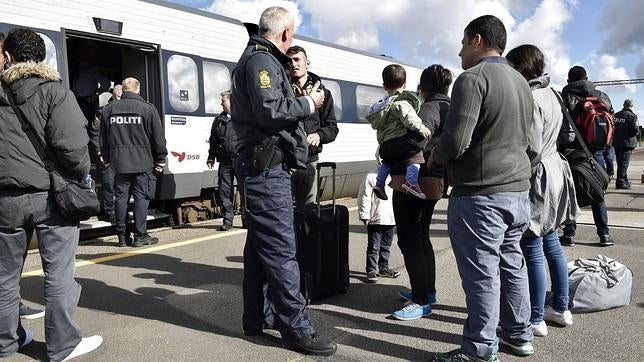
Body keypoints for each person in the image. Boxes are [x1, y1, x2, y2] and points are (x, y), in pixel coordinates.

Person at [230, 6, 336, 356]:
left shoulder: (261, 58)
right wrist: (309, 103)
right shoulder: (262, 61)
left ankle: (256, 318)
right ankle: (296, 330)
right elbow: (270, 110)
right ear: (286, 34)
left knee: (259, 249)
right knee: (280, 251)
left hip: (261, 166)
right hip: (266, 170)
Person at [430, 15, 535, 361]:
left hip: (480, 195)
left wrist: (433, 156)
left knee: (482, 276)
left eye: (462, 43)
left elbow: (456, 141)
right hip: (518, 192)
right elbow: (530, 142)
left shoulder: (472, 79)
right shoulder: (521, 82)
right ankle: (519, 336)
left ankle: (478, 351)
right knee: (511, 264)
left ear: (477, 40)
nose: (459, 52)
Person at [0, 27, 102, 361]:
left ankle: (7, 342)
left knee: (3, 278)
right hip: (50, 198)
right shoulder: (54, 92)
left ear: (9, 57)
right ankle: (63, 346)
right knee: (58, 275)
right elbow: (74, 149)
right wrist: (77, 176)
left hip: (5, 201)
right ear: (42, 57)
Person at [506, 44, 579, 337]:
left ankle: (535, 317)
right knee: (551, 242)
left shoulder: (531, 97)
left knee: (531, 245)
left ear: (521, 67)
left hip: (538, 176)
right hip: (557, 171)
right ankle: (560, 307)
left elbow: (532, 148)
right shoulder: (552, 93)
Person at [391, 64, 452, 321]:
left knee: (409, 239)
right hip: (435, 180)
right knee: (421, 237)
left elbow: (417, 140)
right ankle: (427, 291)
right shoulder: (450, 106)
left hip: (416, 180)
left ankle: (420, 299)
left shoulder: (429, 108)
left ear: (423, 87)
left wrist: (389, 148)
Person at [100, 77, 167, 247]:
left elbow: (103, 139)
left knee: (121, 199)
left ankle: (122, 237)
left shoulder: (109, 110)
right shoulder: (148, 109)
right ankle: (140, 236)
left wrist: (107, 161)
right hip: (143, 163)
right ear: (138, 89)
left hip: (119, 165)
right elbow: (158, 139)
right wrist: (160, 160)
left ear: (123, 90)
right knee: (141, 199)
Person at [559, 65, 615, 247]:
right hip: (596, 151)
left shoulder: (565, 97)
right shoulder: (601, 96)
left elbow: (564, 130)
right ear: (587, 77)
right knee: (597, 192)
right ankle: (604, 234)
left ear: (568, 80)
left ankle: (569, 234)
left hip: (572, 152)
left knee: (570, 193)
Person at [367, 64, 432, 200]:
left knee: (388, 162)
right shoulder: (400, 103)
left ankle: (379, 183)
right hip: (399, 141)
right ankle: (411, 182)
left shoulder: (381, 107)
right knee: (415, 155)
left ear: (384, 86)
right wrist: (422, 128)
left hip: (385, 145)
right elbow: (410, 118)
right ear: (404, 84)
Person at [286, 45, 339, 208]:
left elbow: (332, 128)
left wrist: (319, 135)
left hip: (311, 162)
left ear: (307, 63)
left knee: (309, 211)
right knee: (285, 211)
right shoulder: (282, 92)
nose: (293, 64)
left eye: (297, 59)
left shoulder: (323, 93)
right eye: (289, 61)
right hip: (286, 162)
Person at [357, 167, 399, 283]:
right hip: (376, 218)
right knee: (373, 247)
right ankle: (371, 270)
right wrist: (364, 214)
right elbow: (364, 196)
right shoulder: (371, 176)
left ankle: (383, 267)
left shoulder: (397, 176)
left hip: (391, 218)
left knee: (386, 246)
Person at [207, 90, 239, 231]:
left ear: (231, 101)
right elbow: (213, 140)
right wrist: (211, 157)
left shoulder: (242, 117)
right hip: (225, 162)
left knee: (245, 191)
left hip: (241, 160)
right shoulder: (219, 120)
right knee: (224, 191)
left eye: (223, 100)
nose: (221, 103)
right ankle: (227, 220)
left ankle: (247, 219)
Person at [91, 84, 123, 224]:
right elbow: (94, 133)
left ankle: (121, 212)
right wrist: (99, 153)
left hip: (123, 156)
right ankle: (109, 213)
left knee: (122, 186)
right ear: (113, 96)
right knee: (108, 184)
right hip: (108, 155)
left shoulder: (128, 110)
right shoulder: (102, 111)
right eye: (118, 96)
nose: (120, 98)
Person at [613, 99, 639, 189]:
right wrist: (637, 132)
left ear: (623, 104)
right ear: (632, 106)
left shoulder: (616, 115)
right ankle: (620, 182)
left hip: (616, 142)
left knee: (620, 163)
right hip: (626, 143)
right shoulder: (632, 116)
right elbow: (634, 130)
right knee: (624, 164)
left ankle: (625, 180)